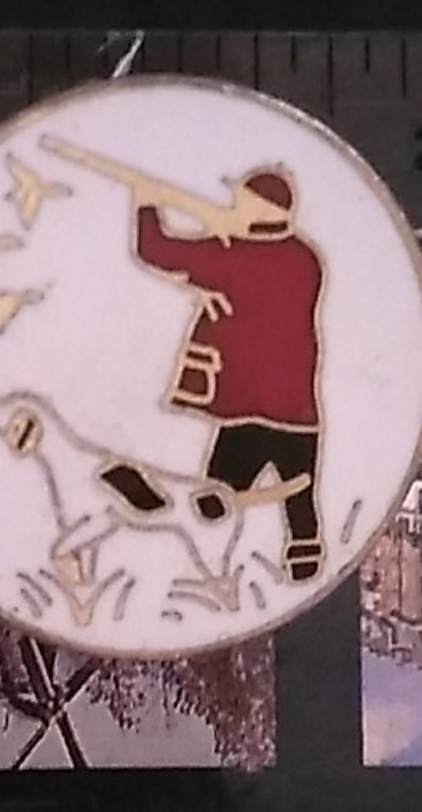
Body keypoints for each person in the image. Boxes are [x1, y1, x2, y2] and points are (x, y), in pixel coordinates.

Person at [135, 168, 325, 581]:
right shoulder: (305, 259)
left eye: (242, 201)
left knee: (210, 505)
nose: (234, 207)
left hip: (246, 415)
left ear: (262, 207)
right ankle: (302, 561)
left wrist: (147, 202)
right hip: (299, 411)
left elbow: (155, 249)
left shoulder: (232, 256)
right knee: (302, 509)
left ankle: (203, 574)